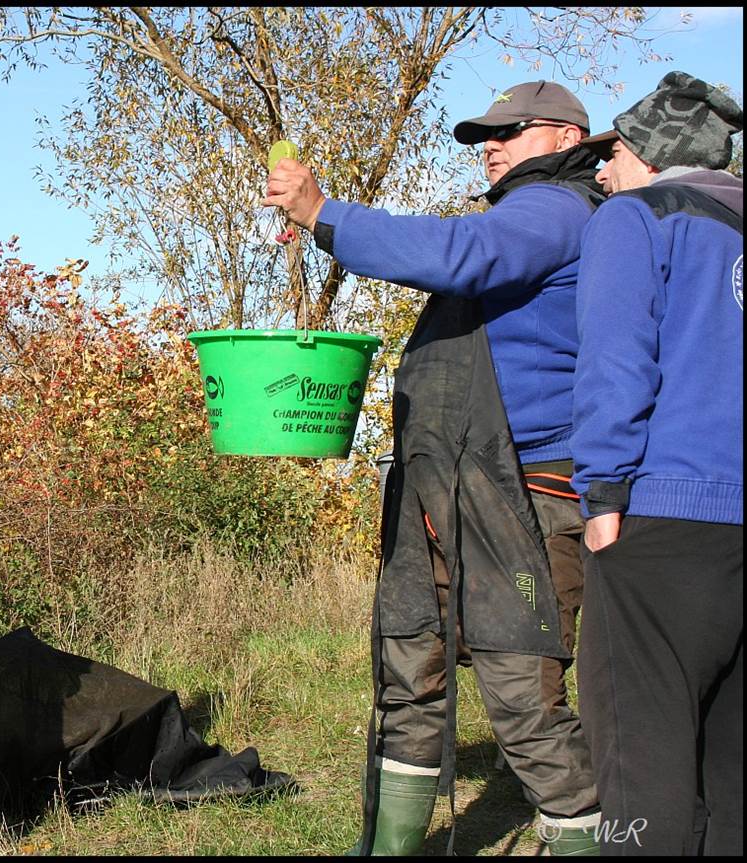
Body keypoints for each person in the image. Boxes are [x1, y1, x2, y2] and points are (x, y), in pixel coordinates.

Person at [265, 81, 604, 855]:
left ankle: (588, 835)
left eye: (508, 131)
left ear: (560, 137)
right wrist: (319, 227)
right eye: (483, 133)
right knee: (408, 669)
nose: (488, 143)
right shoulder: (524, 211)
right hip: (443, 480)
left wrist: (327, 213)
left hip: (522, 491)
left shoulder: (555, 209)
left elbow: (459, 255)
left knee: (521, 696)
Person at [572, 72, 743, 856]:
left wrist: (601, 493)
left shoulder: (634, 219)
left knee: (641, 759)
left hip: (663, 515)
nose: (603, 170)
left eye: (616, 153)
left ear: (652, 156)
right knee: (731, 763)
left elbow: (615, 363)